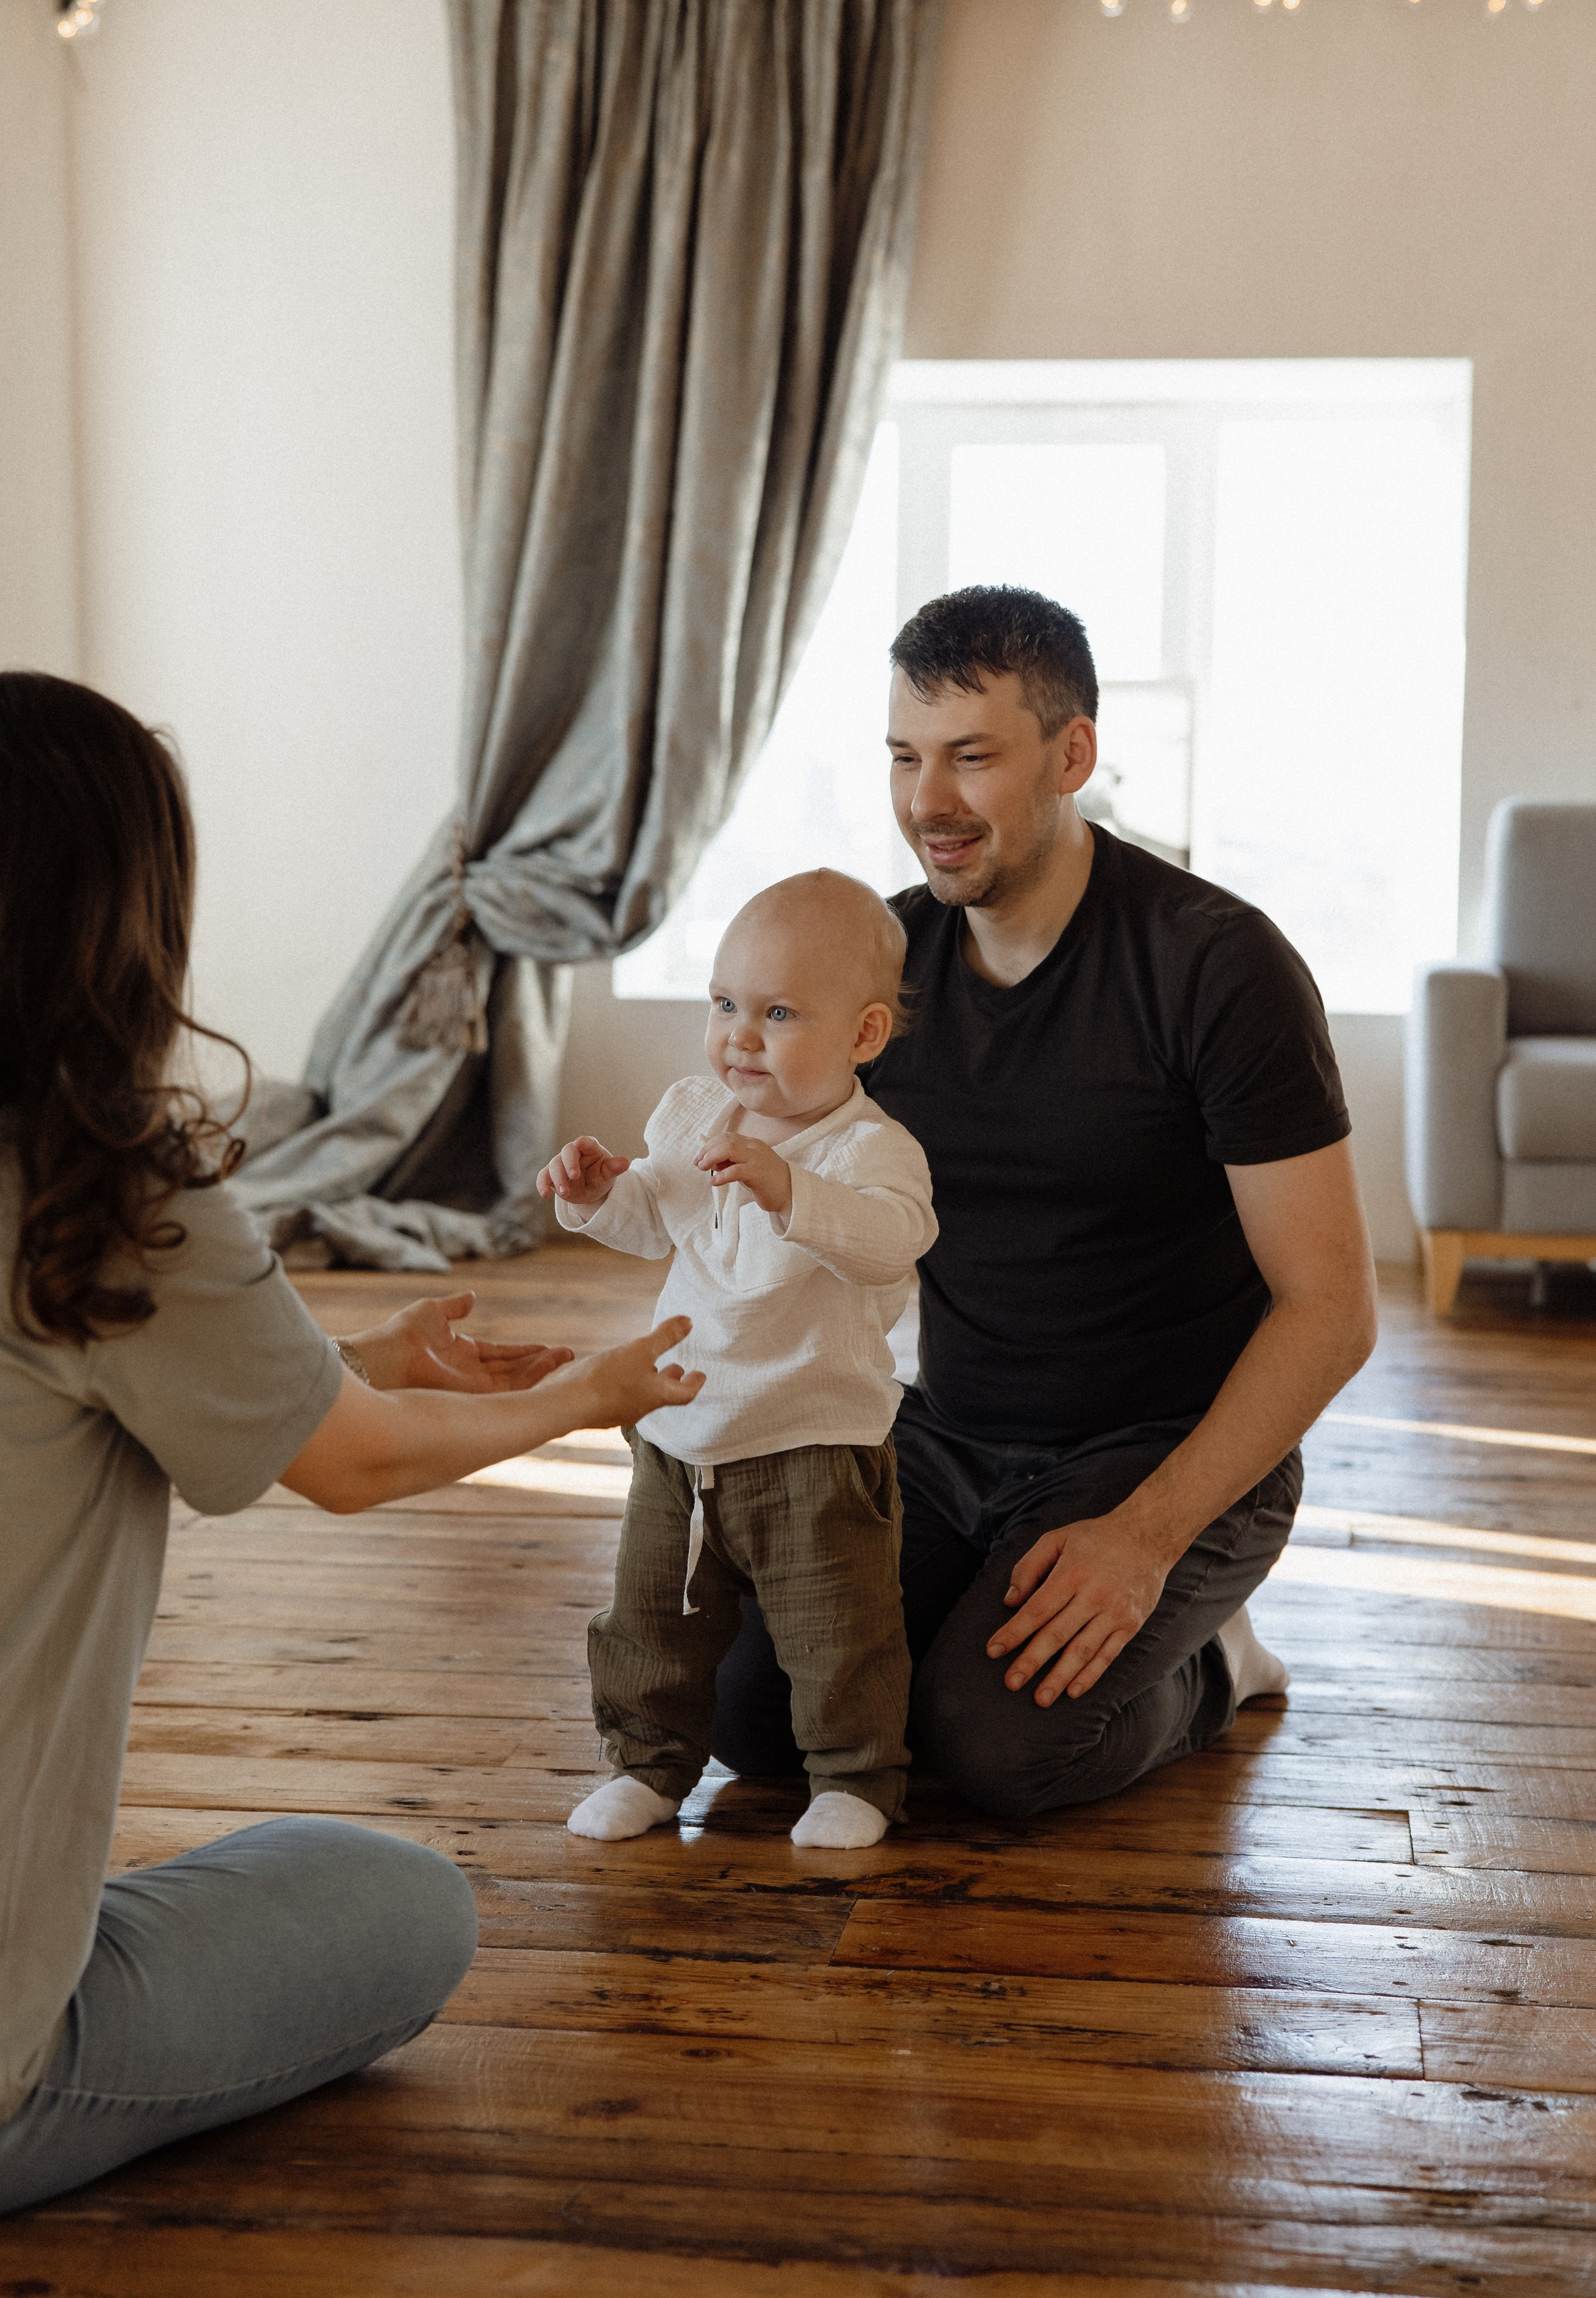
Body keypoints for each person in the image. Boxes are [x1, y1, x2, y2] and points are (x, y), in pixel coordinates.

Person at [0, 672, 703, 2217]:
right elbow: (355, 1463)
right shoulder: (100, 1195)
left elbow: (98, 1396)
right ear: (119, 917)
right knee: (403, 1902)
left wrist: (349, 1358)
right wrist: (582, 1396)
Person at [711, 586, 1378, 1818]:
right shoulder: (884, 968)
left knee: (990, 1749)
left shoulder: (1215, 967)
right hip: (948, 1434)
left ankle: (1216, 1659)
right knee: (753, 1717)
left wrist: (1146, 1534)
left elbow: (1329, 1309)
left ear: (1070, 753)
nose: (926, 802)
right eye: (906, 758)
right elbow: (760, 1183)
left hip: (1164, 1453)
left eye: (971, 757)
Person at [539, 871, 937, 1853]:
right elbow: (653, 1220)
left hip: (812, 1439)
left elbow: (896, 1240)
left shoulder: (871, 1153)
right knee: (650, 1624)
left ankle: (854, 1776)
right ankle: (645, 1763)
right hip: (682, 1434)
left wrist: (789, 1188)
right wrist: (597, 1194)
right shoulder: (697, 1116)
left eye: (778, 1012)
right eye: (724, 1004)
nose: (739, 1036)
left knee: (838, 1631)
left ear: (864, 1036)